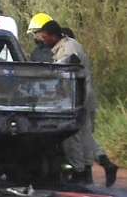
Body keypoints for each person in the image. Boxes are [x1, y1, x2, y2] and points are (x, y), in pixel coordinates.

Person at [37, 20, 98, 185]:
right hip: (84, 96)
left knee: (73, 138)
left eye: (45, 37)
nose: (42, 40)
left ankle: (79, 174)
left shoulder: (67, 49)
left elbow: (60, 71)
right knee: (85, 136)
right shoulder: (72, 44)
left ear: (54, 36)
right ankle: (86, 174)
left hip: (76, 98)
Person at [61, 27, 118, 187]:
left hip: (80, 100)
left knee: (78, 137)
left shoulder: (69, 49)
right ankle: (99, 166)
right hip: (87, 99)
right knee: (86, 136)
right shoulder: (78, 48)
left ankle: (84, 173)